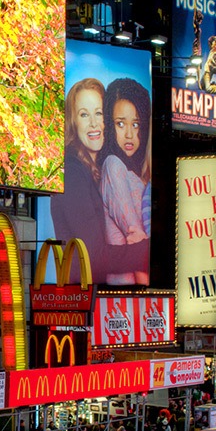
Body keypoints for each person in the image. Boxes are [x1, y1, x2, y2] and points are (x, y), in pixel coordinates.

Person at [50, 78, 149, 285]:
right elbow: (94, 257)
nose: (94, 123)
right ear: (73, 122)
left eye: (99, 113)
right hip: (85, 301)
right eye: (84, 114)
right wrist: (148, 250)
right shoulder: (72, 172)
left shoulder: (98, 170)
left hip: (101, 298)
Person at [100, 77, 152, 285]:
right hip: (125, 285)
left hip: (133, 284)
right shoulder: (113, 164)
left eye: (136, 124)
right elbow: (135, 235)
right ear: (110, 126)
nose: (129, 134)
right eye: (120, 123)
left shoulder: (137, 172)